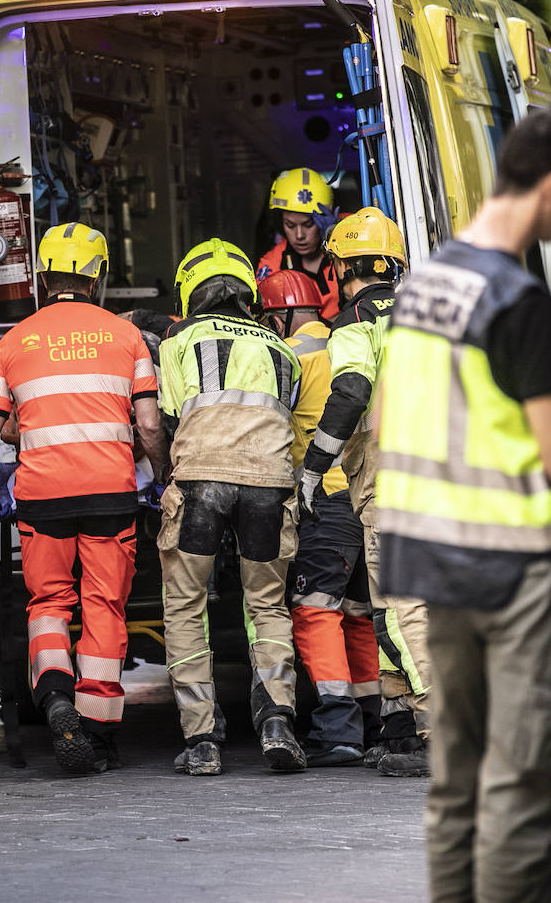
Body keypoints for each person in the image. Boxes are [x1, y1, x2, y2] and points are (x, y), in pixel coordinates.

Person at [376, 104, 551, 900]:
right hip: (522, 572)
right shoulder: (519, 301)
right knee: (522, 788)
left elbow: (394, 417)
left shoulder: (426, 282)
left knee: (456, 782)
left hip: (433, 561)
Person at [0, 222, 167, 775]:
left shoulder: (14, 343)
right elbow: (148, 425)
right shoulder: (125, 338)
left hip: (41, 499)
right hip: (110, 495)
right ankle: (99, 732)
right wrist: (161, 474)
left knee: (49, 604)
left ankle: (55, 693)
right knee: (105, 607)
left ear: (43, 277)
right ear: (95, 278)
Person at [157, 238, 306, 776]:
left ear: (191, 289)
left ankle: (201, 740)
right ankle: (277, 722)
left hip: (200, 484)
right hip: (269, 483)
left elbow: (169, 417)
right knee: (266, 605)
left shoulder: (179, 340)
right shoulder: (281, 347)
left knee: (185, 605)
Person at [298, 207, 432, 777]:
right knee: (399, 612)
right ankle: (401, 729)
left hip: (393, 484)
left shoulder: (354, 325)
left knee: (402, 615)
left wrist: (314, 463)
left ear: (339, 269)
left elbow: (351, 391)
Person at [258, 269, 381, 766]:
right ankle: (375, 719)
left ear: (276, 315)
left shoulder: (289, 358)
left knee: (314, 607)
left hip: (323, 500)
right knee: (359, 614)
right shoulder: (350, 344)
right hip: (362, 496)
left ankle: (336, 728)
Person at [256, 167, 342, 318]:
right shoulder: (272, 263)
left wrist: (338, 236)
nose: (299, 235)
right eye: (290, 225)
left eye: (308, 225)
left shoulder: (352, 233)